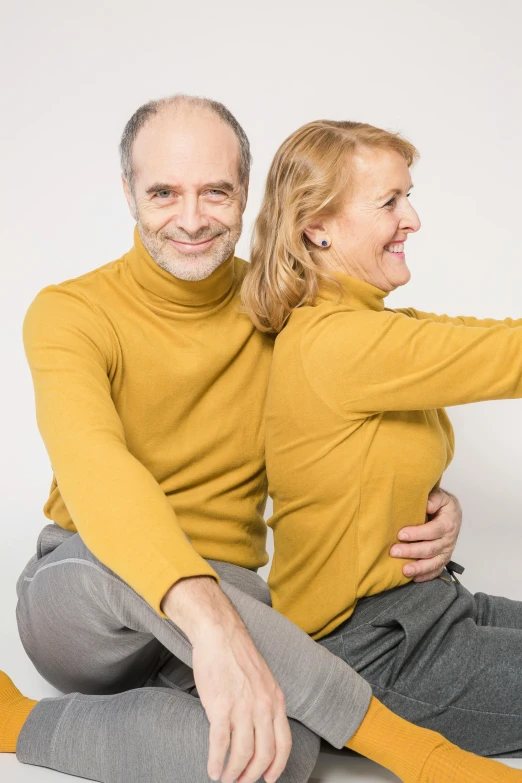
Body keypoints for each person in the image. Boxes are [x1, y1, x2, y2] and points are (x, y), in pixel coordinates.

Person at [0, 95, 513, 783]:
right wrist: (210, 624)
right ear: (128, 192)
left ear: (246, 191)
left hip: (235, 601)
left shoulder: (276, 311)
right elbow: (98, 472)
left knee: (281, 755)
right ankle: (414, 754)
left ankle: (35, 722)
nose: (190, 218)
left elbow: (339, 436)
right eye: (163, 192)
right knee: (113, 551)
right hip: (88, 599)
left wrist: (426, 500)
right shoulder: (71, 313)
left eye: (215, 191)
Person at [242, 117, 522, 760]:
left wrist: (436, 503)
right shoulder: (340, 340)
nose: (414, 218)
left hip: (430, 611)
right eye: (389, 202)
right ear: (317, 225)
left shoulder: (361, 325)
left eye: (408, 194)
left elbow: (473, 340)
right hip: (370, 654)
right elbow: (508, 354)